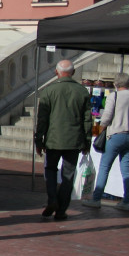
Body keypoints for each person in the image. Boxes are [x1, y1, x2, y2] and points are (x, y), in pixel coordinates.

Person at [34, 59, 92, 220]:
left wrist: (39, 140)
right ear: (72, 72)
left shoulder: (49, 91)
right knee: (68, 174)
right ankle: (61, 209)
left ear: (56, 72)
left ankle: (52, 199)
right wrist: (87, 141)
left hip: (53, 139)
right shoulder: (82, 91)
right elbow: (87, 120)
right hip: (74, 140)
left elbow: (42, 119)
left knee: (51, 170)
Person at [81, 73, 129, 211]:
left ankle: (96, 198)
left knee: (105, 167)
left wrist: (102, 129)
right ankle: (127, 201)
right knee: (126, 168)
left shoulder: (114, 96)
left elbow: (105, 118)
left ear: (116, 84)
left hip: (116, 134)